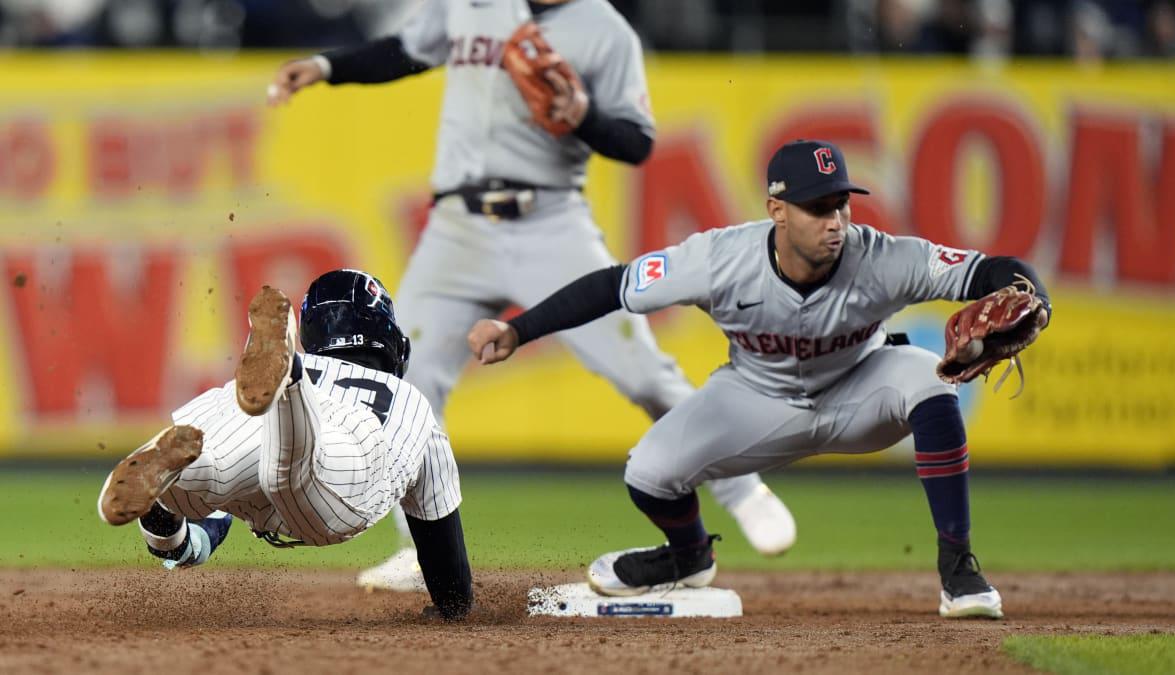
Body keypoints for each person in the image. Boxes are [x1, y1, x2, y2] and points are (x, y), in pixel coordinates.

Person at [266, 0, 796, 592]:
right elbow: (404, 52)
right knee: (406, 385)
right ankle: (422, 552)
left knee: (643, 373)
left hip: (550, 221)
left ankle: (744, 491)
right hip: (457, 228)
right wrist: (325, 65)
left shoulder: (603, 29)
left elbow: (636, 141)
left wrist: (585, 116)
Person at [466, 139, 1053, 618]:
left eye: (842, 204)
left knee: (930, 381)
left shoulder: (882, 256)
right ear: (777, 210)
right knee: (648, 470)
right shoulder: (719, 259)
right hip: (757, 395)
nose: (837, 221)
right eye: (819, 208)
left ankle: (959, 569)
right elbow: (611, 286)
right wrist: (519, 330)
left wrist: (1035, 297)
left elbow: (993, 271)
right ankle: (688, 556)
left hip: (860, 388)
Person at [96, 270, 472, 620]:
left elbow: (196, 534)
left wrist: (171, 544)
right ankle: (290, 382)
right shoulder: (409, 399)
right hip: (348, 443)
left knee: (211, 467)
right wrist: (452, 604)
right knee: (296, 473)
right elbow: (449, 573)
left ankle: (206, 454)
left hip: (249, 427)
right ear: (387, 336)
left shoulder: (252, 388)